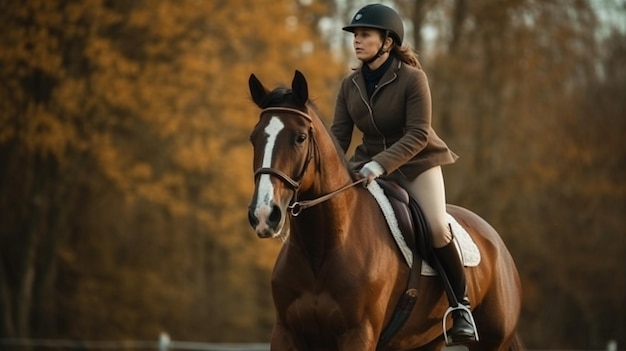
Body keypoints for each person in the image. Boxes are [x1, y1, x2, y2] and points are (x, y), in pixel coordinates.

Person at [330, 3, 477, 345]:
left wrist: (380, 165)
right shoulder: (349, 85)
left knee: (438, 227)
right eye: (355, 35)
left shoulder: (413, 79)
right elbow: (338, 138)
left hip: (416, 163)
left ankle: (460, 307)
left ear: (388, 41)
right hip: (365, 163)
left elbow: (418, 134)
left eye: (365, 35)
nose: (357, 41)